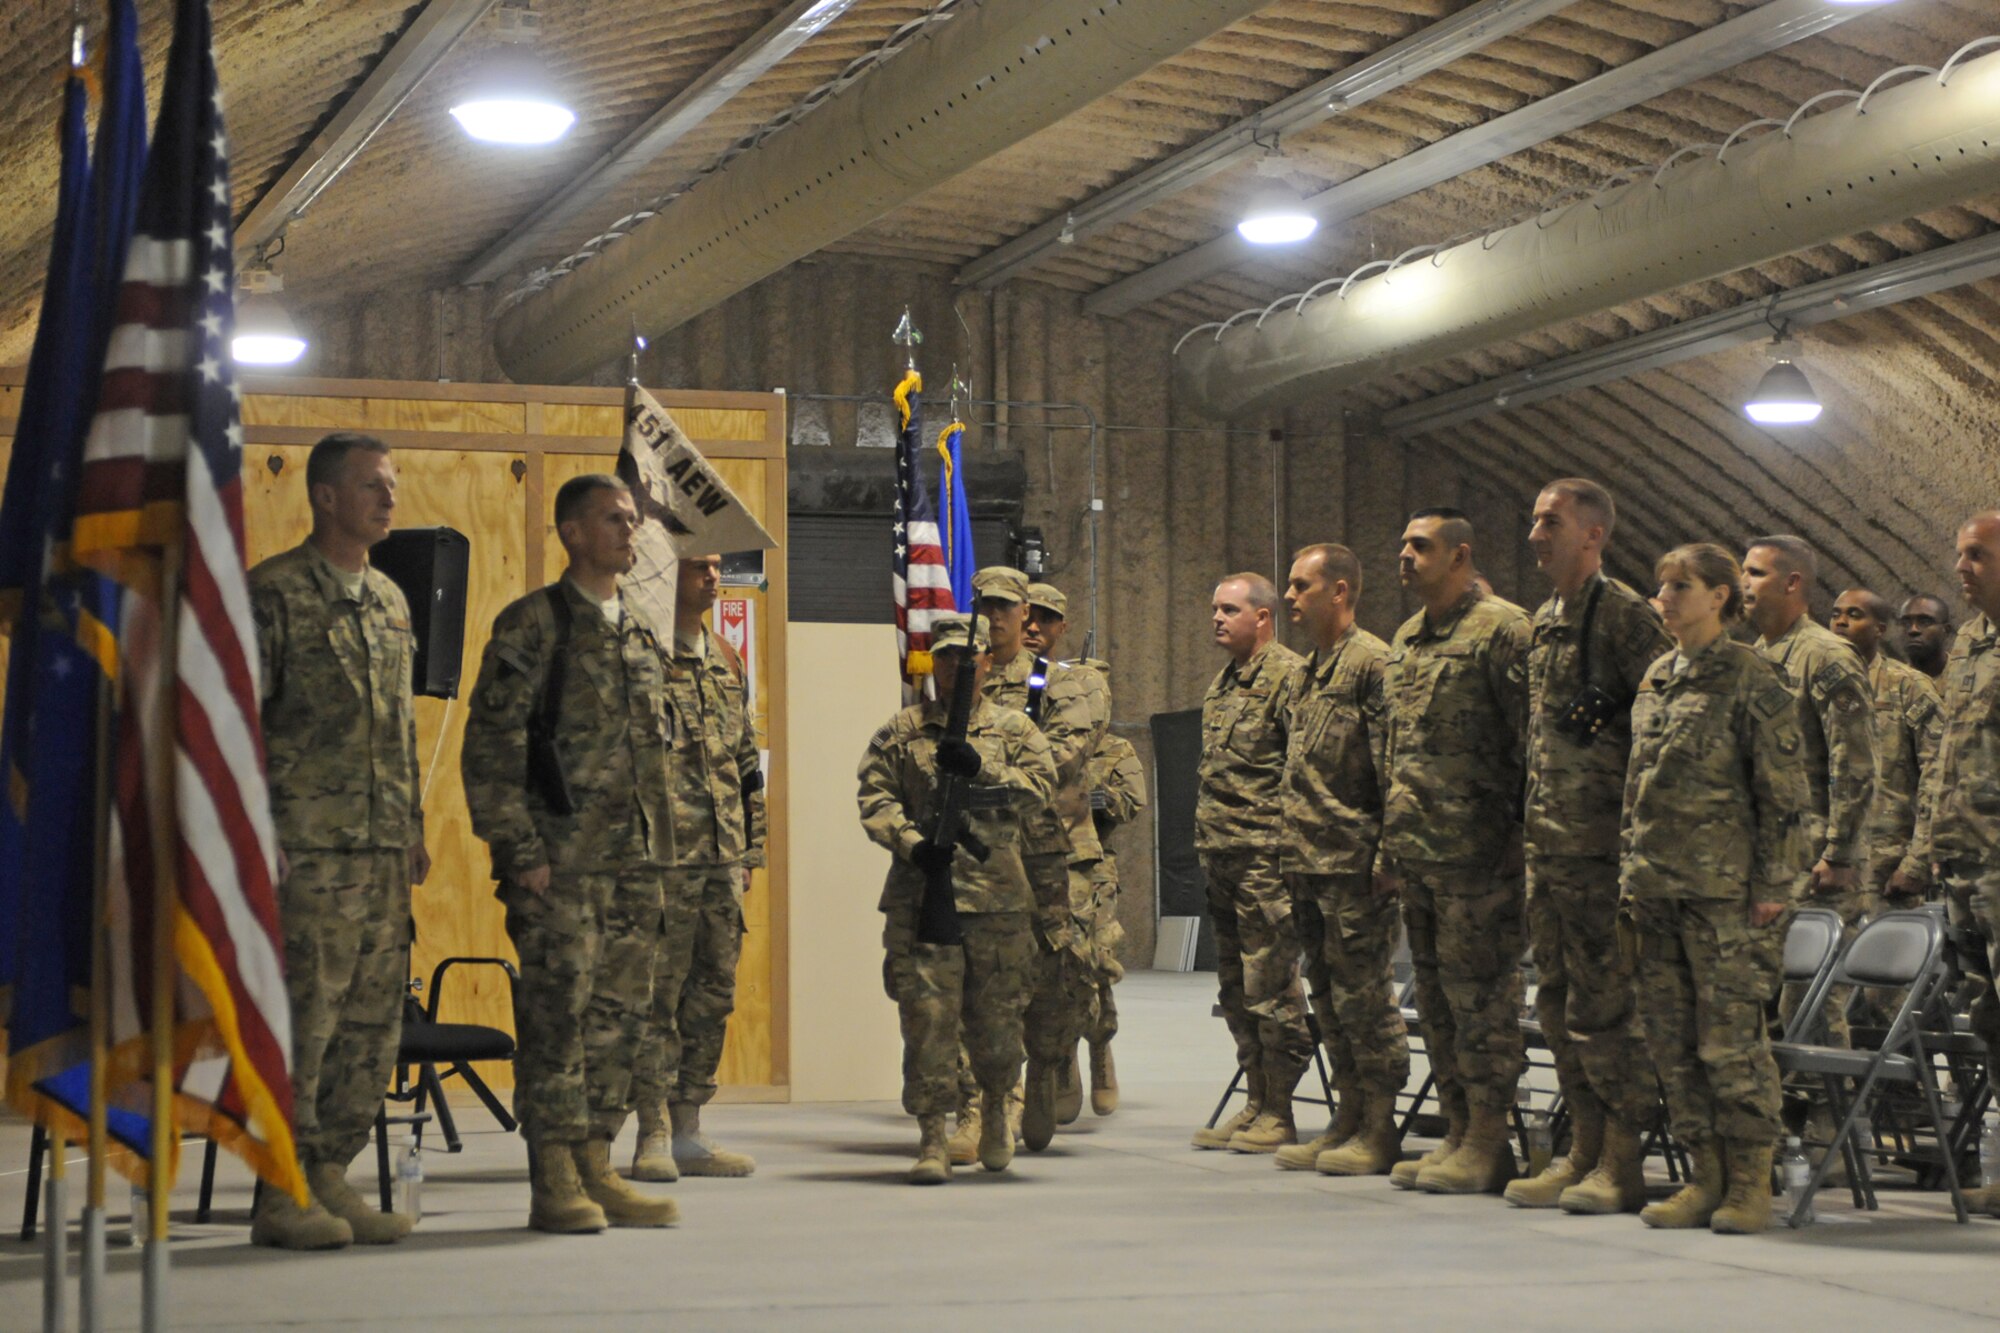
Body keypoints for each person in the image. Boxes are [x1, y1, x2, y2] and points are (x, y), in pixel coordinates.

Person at [462, 475, 680, 1234]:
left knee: (621, 1020)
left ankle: (597, 1163)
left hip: (634, 866)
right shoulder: (533, 625)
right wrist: (520, 849)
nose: (629, 531)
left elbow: (655, 754)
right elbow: (490, 748)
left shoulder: (641, 631)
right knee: (558, 1017)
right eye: (613, 519)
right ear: (572, 533)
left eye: (633, 519)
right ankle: (553, 1174)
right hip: (560, 867)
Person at [249, 432, 429, 1251]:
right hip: (307, 850)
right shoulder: (275, 593)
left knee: (369, 1025)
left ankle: (328, 1172)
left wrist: (412, 827)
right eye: (371, 485)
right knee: (306, 1021)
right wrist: (259, 834)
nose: (389, 498)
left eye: (391, 484)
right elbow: (239, 722)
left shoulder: (390, 598)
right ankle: (280, 1187)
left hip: (382, 847)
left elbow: (399, 728)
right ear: (324, 496)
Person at [1625, 543, 1810, 1234]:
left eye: (1681, 586)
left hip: (1725, 894)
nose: (1665, 599)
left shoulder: (1751, 677)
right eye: (1661, 586)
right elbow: (1637, 787)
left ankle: (1751, 1182)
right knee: (1672, 1042)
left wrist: (1772, 885)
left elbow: (1784, 794)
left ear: (1720, 597)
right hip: (1657, 886)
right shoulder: (1657, 678)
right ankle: (1704, 1175)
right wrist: (1629, 870)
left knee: (1731, 1044)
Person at [1509, 480, 1671, 1214]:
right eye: (1534, 521)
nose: (1536, 534)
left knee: (1608, 1012)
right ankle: (1582, 1145)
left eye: (1551, 522)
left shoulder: (1626, 617)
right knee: (1556, 1003)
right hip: (1550, 847)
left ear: (1594, 534)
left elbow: (1665, 723)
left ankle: (1622, 1156)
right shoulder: (1547, 619)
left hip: (1604, 852)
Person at [857, 613, 1057, 1184]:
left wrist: (982, 767)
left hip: (997, 901)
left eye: (966, 658)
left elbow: (1041, 792)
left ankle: (994, 1112)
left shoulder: (1016, 731)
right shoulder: (902, 731)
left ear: (988, 663)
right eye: (944, 656)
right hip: (923, 898)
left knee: (997, 1025)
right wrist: (914, 844)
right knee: (927, 1022)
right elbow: (875, 798)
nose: (954, 667)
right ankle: (931, 1138)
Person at [1379, 508, 1531, 1194]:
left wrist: (1519, 837)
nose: (1405, 556)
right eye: (1403, 544)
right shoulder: (1409, 636)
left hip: (1480, 856)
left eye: (1421, 545)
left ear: (1460, 555)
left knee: (1484, 1004)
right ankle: (1458, 1130)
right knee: (1438, 1004)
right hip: (1420, 851)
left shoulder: (1503, 630)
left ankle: (1491, 1140)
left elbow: (1532, 740)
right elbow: (1400, 747)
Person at [629, 553, 767, 1183]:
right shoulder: (642, 656)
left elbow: (746, 765)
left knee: (712, 994)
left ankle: (688, 1126)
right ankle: (652, 1130)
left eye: (716, 568)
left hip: (721, 857)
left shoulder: (726, 660)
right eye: (698, 568)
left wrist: (750, 852)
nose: (713, 578)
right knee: (658, 995)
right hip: (662, 858)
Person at [1272, 544, 1407, 1177]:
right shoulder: (1307, 671)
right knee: (1326, 1001)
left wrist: (1389, 857)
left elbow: (1393, 767)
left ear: (1340, 591)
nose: (1290, 597)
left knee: (1366, 1002)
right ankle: (1346, 1117)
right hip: (1308, 862)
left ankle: (1379, 1127)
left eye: (1302, 586)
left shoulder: (1372, 664)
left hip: (1354, 866)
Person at [972, 566, 1102, 1152]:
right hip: (983, 853)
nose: (994, 616)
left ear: (1024, 612)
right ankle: (993, 1096)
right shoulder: (964, 677)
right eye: (985, 606)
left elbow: (1062, 759)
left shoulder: (1054, 683)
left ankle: (1049, 1062)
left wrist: (986, 765)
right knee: (984, 975)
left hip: (1045, 847)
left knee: (1054, 970)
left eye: (1004, 606)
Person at [1741, 537, 1876, 1053]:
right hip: (1767, 858)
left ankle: (1823, 1101)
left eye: (1756, 573)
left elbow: (1855, 761)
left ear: (1792, 582)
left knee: (1807, 1007)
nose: (1743, 583)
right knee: (1759, 1003)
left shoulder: (1825, 656)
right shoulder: (1755, 656)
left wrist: (1840, 852)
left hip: (1816, 859)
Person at [1191, 572, 1311, 1153]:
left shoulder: (1289, 677)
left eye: (1229, 609)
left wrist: (1289, 853)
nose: (1217, 618)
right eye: (1215, 608)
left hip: (1265, 859)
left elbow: (1302, 771)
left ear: (1263, 617)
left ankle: (1281, 1111)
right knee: (1236, 990)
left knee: (1271, 988)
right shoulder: (1224, 682)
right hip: (1223, 856)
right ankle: (1257, 1099)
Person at [1912, 513, 2000, 1215]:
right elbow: (1947, 754)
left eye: (1978, 554)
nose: (1962, 566)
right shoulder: (1970, 641)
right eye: (1960, 553)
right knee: (1990, 1022)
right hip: (1964, 864)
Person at [1022, 582, 1123, 1120]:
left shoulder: (1079, 684)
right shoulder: (989, 678)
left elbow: (1076, 745)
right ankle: (1041, 1071)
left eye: (1046, 618)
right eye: (1026, 615)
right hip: (1010, 846)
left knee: (1081, 963)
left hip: (1068, 846)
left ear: (1061, 627)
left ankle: (1093, 1049)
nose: (1033, 626)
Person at [1828, 588, 1941, 917]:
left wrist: (1917, 862)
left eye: (1854, 615)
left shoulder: (1907, 687)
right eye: (1835, 614)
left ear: (1880, 629)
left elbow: (1940, 775)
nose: (1841, 622)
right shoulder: (1816, 684)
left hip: (1884, 870)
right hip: (1821, 865)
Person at [1081, 717, 1147, 1116]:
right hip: (1038, 866)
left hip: (1094, 869)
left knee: (1099, 963)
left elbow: (1132, 802)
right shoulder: (1033, 738)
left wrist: (1093, 795)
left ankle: (1100, 1050)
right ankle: (1058, 1063)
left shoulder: (1115, 748)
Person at [1898, 594, 1954, 679]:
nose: (1913, 630)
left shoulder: (1966, 675)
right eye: (1905, 623)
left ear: (1946, 630)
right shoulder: (1890, 682)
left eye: (1924, 622)